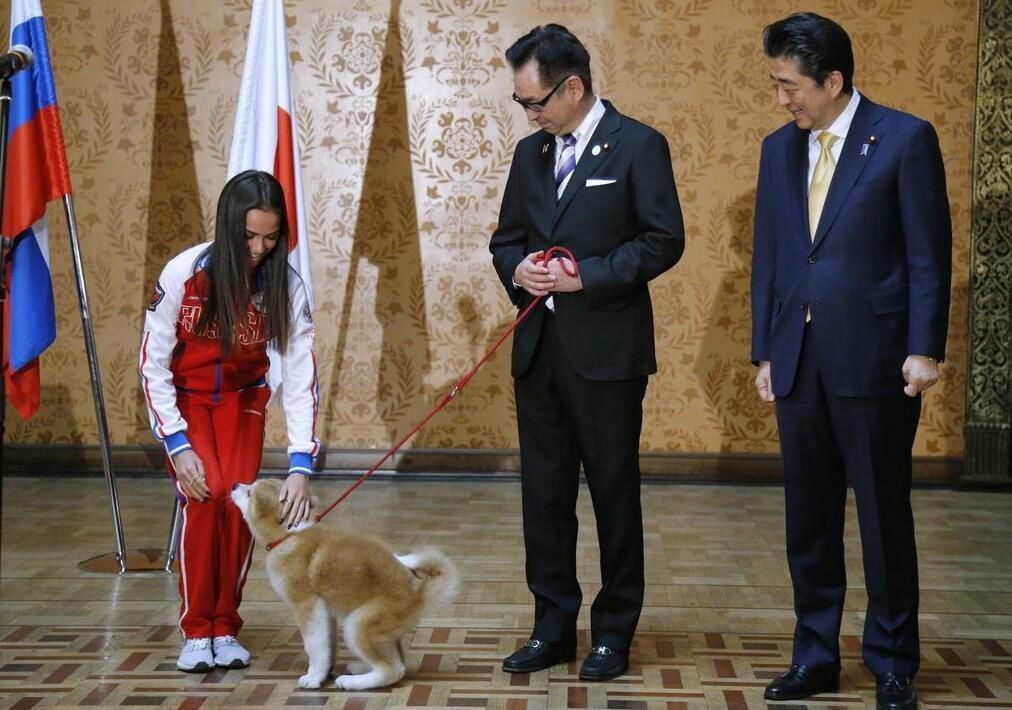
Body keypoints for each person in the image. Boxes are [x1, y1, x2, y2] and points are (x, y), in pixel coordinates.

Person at [750, 13, 951, 709]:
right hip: (798, 360)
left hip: (877, 362)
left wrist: (924, 348)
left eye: (790, 85)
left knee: (882, 517)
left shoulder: (903, 139)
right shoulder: (779, 149)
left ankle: (893, 661)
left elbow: (928, 253)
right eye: (776, 84)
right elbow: (773, 258)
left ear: (832, 80)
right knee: (807, 519)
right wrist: (765, 351)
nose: (783, 99)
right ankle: (815, 656)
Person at [489, 24, 684, 681]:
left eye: (535, 102)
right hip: (538, 351)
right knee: (544, 497)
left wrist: (586, 276)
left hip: (607, 355)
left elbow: (663, 241)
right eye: (523, 104)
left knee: (612, 493)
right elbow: (505, 241)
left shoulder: (638, 147)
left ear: (573, 87)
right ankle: (552, 627)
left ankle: (613, 633)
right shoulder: (530, 156)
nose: (530, 114)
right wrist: (519, 272)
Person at [138, 170, 321, 673]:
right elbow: (152, 363)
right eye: (248, 237)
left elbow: (303, 373)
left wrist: (302, 462)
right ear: (226, 227)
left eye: (270, 237)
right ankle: (197, 629)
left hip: (244, 403)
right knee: (205, 496)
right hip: (189, 402)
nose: (260, 248)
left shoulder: (286, 284)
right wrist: (176, 442)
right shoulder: (183, 273)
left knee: (239, 504)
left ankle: (225, 625)